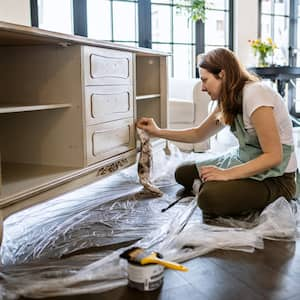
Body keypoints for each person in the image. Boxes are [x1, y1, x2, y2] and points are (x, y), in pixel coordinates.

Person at [136, 48, 297, 217]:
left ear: (222, 74)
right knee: (182, 172)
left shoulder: (256, 93)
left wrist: (227, 174)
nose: (203, 88)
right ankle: (226, 188)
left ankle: (222, 189)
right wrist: (158, 132)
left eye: (205, 80)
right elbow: (198, 134)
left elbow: (274, 156)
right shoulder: (229, 97)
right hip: (247, 159)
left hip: (277, 178)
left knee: (209, 198)